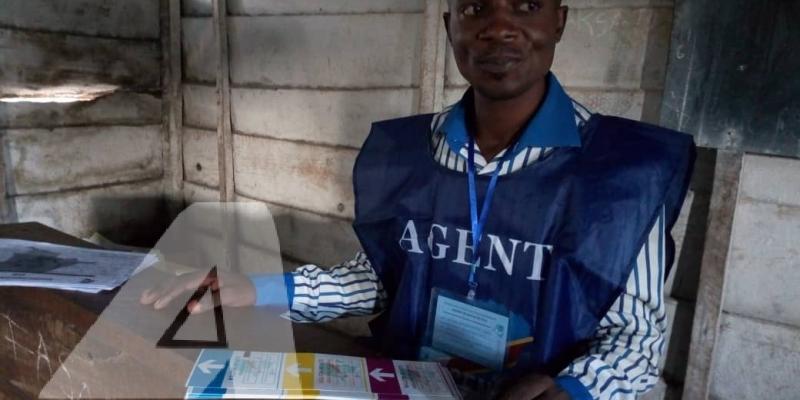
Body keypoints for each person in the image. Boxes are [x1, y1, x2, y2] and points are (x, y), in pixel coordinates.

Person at [141, 0, 695, 398]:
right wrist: (255, 288)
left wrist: (570, 392)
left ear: (560, 18)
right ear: (450, 21)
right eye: (476, 8)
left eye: (525, 6)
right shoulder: (406, 153)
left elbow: (634, 340)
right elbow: (380, 280)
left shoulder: (622, 173)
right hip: (401, 386)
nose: (499, 28)